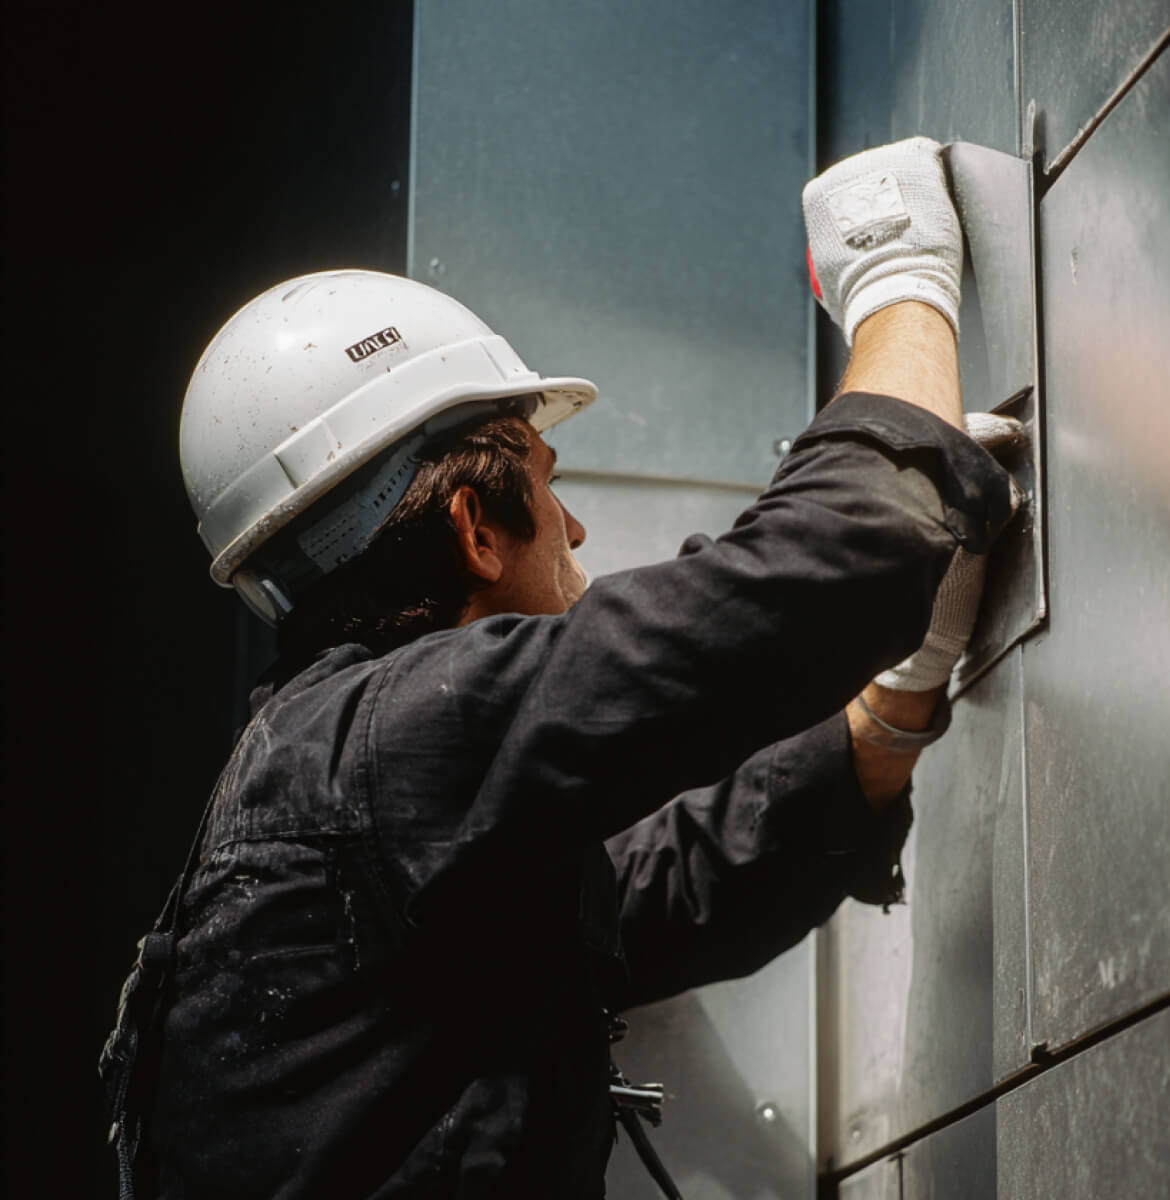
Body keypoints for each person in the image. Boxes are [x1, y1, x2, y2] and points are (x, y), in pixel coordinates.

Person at [101, 137, 1016, 1198]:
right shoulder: (380, 749)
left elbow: (683, 885)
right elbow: (818, 577)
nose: (575, 524)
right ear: (474, 531)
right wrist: (894, 272)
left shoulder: (339, 800)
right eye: (547, 483)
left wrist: (909, 673)